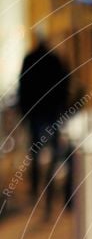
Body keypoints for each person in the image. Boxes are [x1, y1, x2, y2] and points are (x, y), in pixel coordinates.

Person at [18, 29, 72, 213]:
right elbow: (65, 82)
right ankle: (48, 191)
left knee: (35, 152)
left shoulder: (30, 59)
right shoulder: (54, 59)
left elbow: (23, 86)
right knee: (54, 151)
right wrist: (63, 106)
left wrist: (24, 111)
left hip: (36, 113)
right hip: (51, 112)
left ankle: (36, 189)